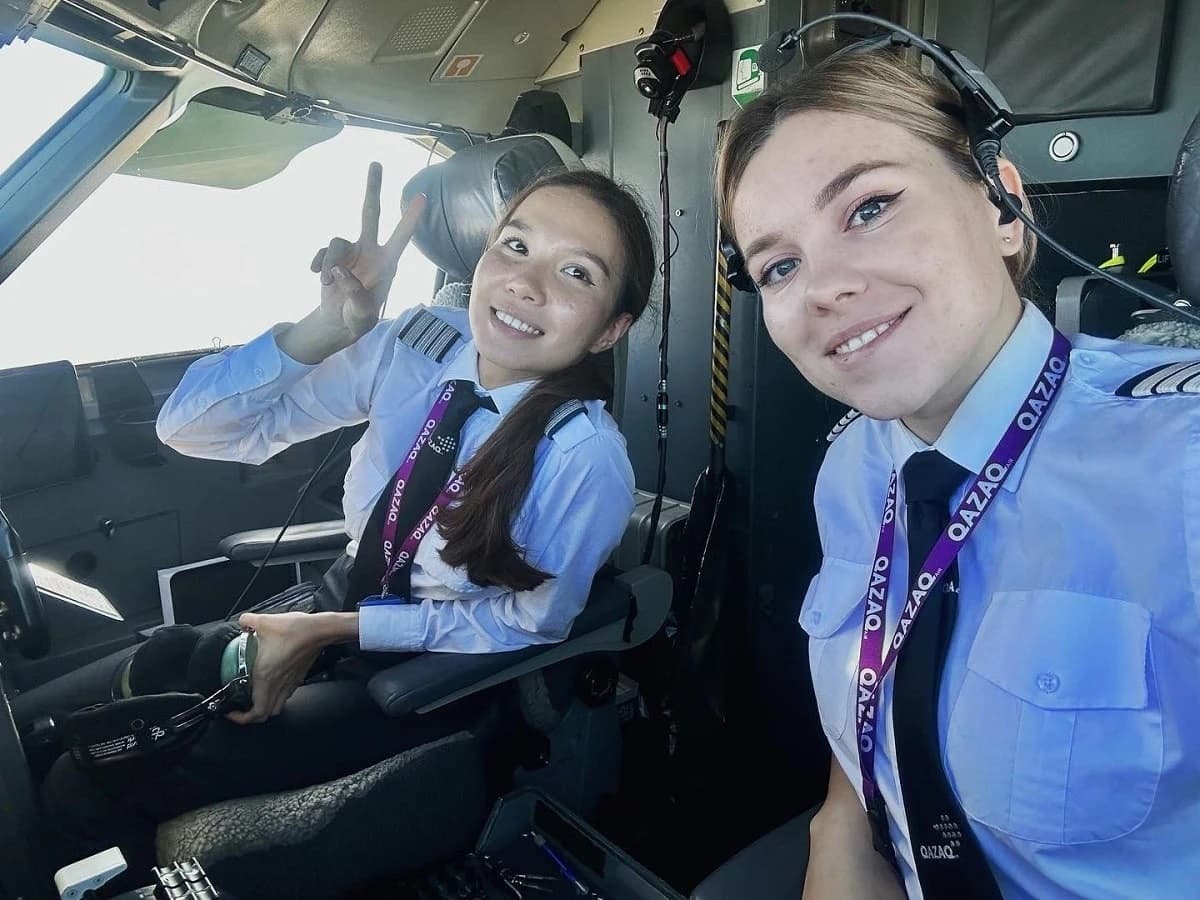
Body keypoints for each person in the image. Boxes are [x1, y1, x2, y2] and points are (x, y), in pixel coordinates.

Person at [36, 163, 656, 880]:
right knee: (154, 665)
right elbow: (192, 430)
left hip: (426, 675)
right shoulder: (423, 341)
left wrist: (333, 631)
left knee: (98, 775)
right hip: (335, 602)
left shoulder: (585, 459)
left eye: (576, 273)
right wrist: (326, 329)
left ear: (612, 328)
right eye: (514, 247)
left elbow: (532, 624)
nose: (527, 284)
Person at [716, 49, 1200, 900]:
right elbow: (866, 745)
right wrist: (843, 847)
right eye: (779, 266)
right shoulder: (851, 468)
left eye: (869, 207)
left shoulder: (1180, 466)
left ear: (1002, 204)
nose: (824, 286)